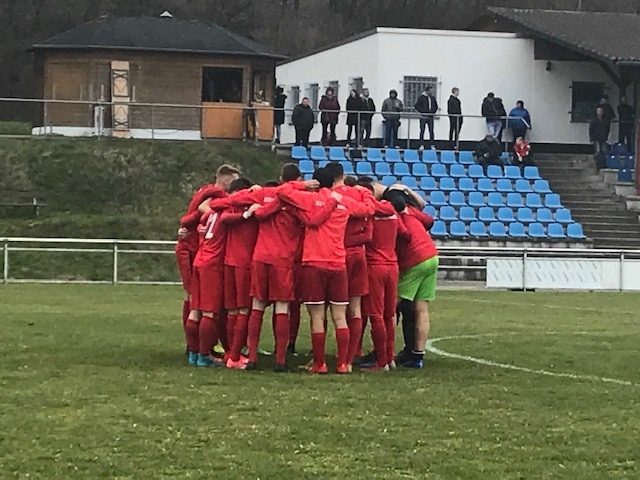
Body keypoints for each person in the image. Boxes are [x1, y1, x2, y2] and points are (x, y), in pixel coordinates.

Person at [277, 167, 374, 374]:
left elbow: (282, 192)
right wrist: (365, 191)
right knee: (340, 316)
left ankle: (319, 363)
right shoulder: (343, 201)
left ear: (316, 183)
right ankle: (342, 363)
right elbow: (368, 210)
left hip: (314, 263)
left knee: (317, 316)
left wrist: (302, 184)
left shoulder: (309, 199)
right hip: (338, 263)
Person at [175, 164, 239, 361]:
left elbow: (190, 216)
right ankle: (198, 349)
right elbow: (202, 209)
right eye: (234, 181)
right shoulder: (216, 195)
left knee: (197, 303)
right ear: (226, 180)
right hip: (194, 251)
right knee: (199, 302)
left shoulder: (208, 192)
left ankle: (199, 348)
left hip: (199, 252)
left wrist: (189, 224)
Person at [325, 162, 375, 371]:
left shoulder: (327, 196)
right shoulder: (359, 194)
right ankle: (350, 357)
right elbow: (370, 211)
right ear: (343, 175)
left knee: (325, 307)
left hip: (335, 253)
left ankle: (325, 357)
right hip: (358, 254)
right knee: (355, 307)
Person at [360, 195, 409, 371]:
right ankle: (390, 358)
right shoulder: (393, 213)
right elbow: (405, 233)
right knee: (390, 314)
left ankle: (381, 361)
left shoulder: (370, 213)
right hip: (392, 266)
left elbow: (365, 237)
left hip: (375, 266)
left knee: (376, 315)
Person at [394, 198, 439, 369]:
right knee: (421, 309)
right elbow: (429, 220)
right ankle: (417, 356)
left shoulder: (393, 217)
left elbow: (404, 236)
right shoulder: (411, 211)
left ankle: (383, 353)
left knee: (390, 307)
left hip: (415, 259)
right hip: (431, 256)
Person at [221, 177, 259, 367]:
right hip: (244, 263)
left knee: (233, 310)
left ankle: (231, 352)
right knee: (244, 309)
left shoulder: (230, 206)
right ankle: (235, 356)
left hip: (229, 260)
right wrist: (246, 214)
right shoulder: (251, 207)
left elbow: (224, 217)